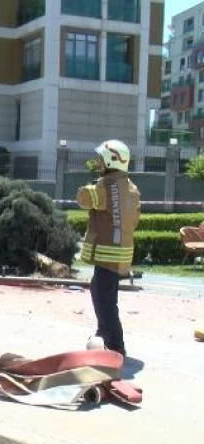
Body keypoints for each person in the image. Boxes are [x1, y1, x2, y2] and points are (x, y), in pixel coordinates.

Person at [77, 139, 140, 357]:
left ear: (112, 160)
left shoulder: (106, 185)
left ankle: (115, 347)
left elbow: (84, 198)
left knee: (104, 301)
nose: (97, 163)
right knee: (106, 298)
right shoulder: (130, 187)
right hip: (121, 254)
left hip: (107, 254)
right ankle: (103, 336)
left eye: (100, 159)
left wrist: (92, 184)